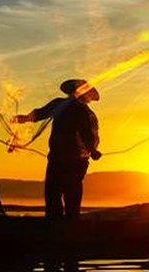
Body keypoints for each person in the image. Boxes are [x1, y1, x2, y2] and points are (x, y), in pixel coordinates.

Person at [13, 79, 101, 219]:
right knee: (53, 194)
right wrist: (25, 119)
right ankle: (58, 226)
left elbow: (86, 133)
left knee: (69, 195)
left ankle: (68, 228)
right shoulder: (60, 104)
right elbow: (41, 113)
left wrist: (92, 150)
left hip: (74, 160)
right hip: (57, 158)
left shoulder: (81, 111)